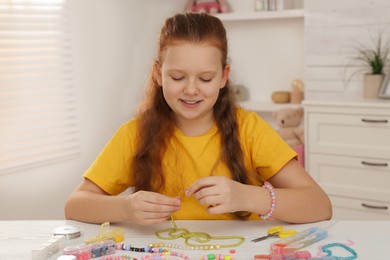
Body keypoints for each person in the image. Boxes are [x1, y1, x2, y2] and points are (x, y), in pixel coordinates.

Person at [65, 12, 332, 225]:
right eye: (177, 77)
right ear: (158, 74)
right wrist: (125, 208)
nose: (191, 89)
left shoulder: (249, 130)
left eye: (205, 78)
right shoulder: (134, 134)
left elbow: (320, 205)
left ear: (224, 77)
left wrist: (247, 197)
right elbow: (75, 205)